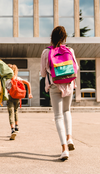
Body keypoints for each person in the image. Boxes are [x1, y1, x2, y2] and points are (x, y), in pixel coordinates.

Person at [40, 26, 79, 160]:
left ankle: (64, 149)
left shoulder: (46, 52)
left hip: (54, 85)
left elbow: (43, 73)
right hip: (68, 84)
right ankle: (69, 138)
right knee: (67, 111)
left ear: (52, 37)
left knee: (58, 116)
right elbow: (76, 68)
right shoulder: (69, 50)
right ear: (64, 38)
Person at [5, 64, 33, 140]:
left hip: (10, 97)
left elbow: (4, 89)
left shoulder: (7, 80)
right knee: (16, 111)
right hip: (17, 97)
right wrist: (29, 93)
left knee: (11, 112)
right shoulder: (18, 78)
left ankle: (12, 129)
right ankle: (17, 126)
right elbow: (28, 83)